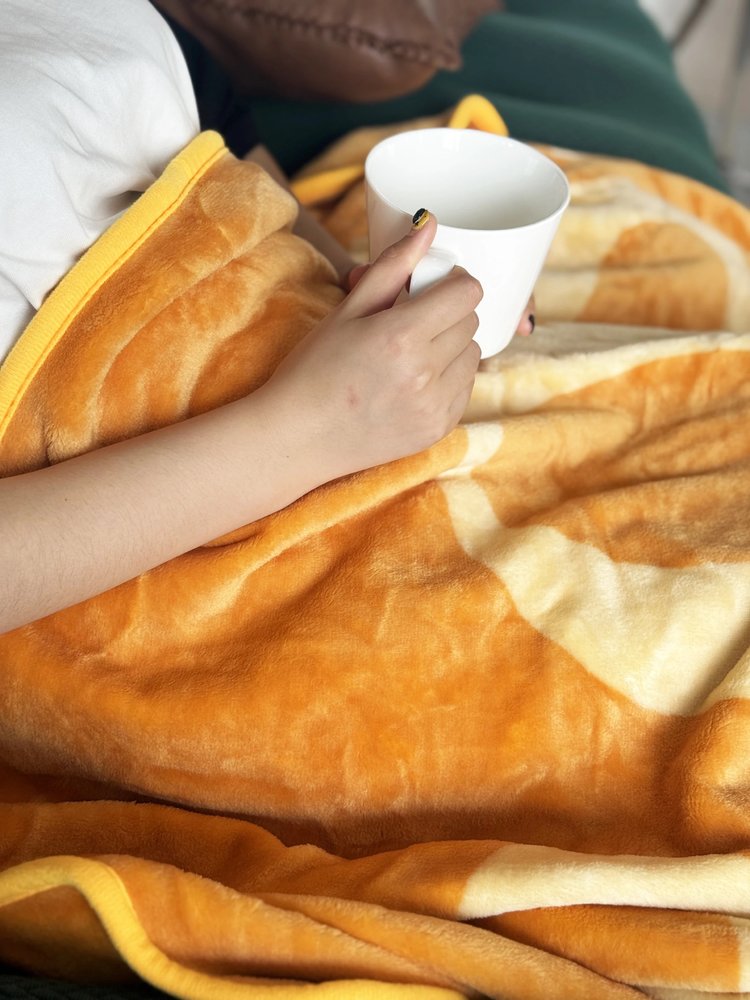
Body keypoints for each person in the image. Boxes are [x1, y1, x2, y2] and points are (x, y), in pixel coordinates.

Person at [0, 0, 532, 636]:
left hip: (383, 413)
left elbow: (236, 160)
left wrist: (404, 294)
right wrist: (305, 431)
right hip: (175, 550)